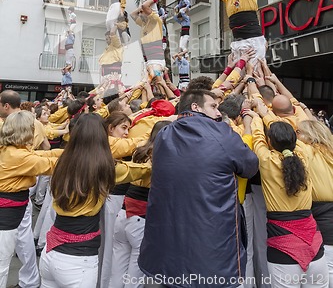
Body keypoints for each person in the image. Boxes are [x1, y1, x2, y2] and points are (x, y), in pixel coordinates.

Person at [138, 89, 259, 287]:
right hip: (212, 244)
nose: (219, 113)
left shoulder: (163, 135)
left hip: (167, 245)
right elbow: (250, 166)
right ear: (196, 107)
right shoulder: (221, 133)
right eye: (213, 106)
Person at [39, 113, 153, 288]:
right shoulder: (105, 168)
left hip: (49, 254)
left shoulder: (61, 160)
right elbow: (138, 170)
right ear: (103, 137)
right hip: (78, 262)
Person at [248, 115, 329, 288]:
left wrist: (254, 116)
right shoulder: (304, 156)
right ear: (294, 139)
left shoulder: (265, 160)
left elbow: (257, 138)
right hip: (313, 243)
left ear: (270, 141)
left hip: (283, 246)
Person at [0, 110, 62, 288]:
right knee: (2, 265)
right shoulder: (18, 156)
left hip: (14, 211)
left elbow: (43, 155)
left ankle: (30, 281)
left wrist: (70, 150)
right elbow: (49, 164)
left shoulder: (11, 150)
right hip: (7, 217)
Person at [110, 120, 172, 288]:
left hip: (123, 213)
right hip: (141, 218)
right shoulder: (161, 154)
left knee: (117, 271)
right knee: (134, 278)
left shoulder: (140, 150)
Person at [296, 120, 333, 287]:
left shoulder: (307, 150)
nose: (297, 135)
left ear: (310, 136)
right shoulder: (330, 150)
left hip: (323, 214)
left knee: (328, 266)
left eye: (299, 132)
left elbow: (281, 135)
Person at [131, 0, 165, 80]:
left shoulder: (155, 20)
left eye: (141, 12)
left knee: (156, 79)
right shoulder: (143, 23)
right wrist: (140, 9)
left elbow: (145, 6)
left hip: (156, 60)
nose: (139, 14)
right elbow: (132, 14)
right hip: (148, 60)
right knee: (150, 83)